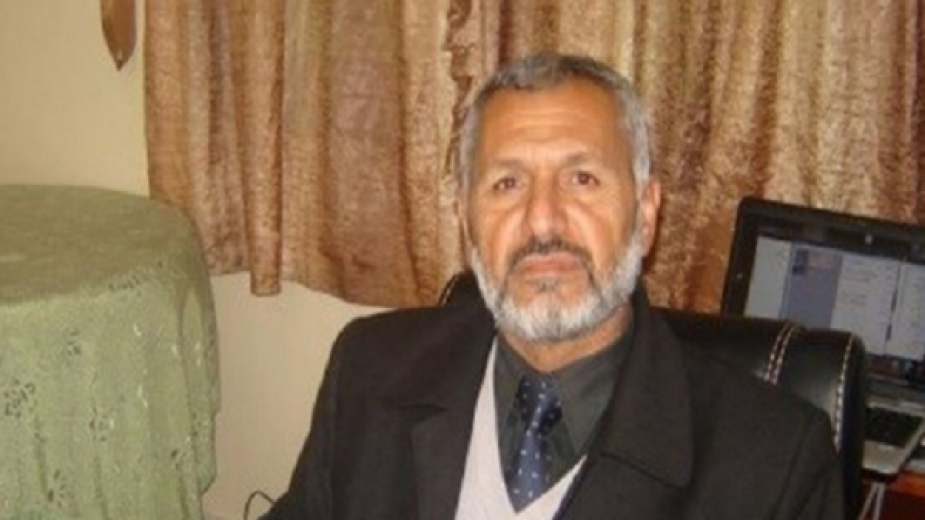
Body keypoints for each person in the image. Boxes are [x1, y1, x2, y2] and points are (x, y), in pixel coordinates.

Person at [264, 52, 843, 519]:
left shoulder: (775, 464)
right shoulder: (368, 370)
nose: (542, 221)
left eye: (582, 179)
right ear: (466, 220)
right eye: (507, 183)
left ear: (645, 214)